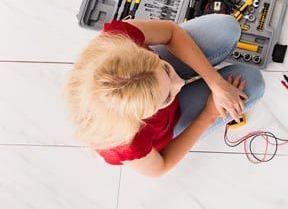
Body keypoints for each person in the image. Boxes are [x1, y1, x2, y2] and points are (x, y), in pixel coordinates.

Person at [65, 14, 264, 177]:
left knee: (225, 28)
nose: (180, 83)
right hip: (168, 124)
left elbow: (171, 32)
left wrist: (216, 83)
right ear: (142, 117)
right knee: (251, 82)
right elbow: (161, 166)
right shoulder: (123, 141)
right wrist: (209, 114)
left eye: (166, 69)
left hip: (152, 85)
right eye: (167, 97)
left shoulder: (119, 39)